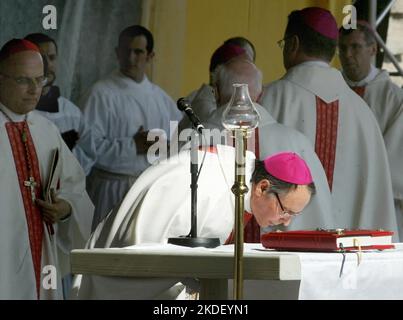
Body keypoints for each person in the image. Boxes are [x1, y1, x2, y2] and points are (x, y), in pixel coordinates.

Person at [73, 144, 316, 299]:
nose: (285, 222)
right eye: (286, 211)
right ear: (262, 188)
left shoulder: (235, 182)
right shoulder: (207, 188)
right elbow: (152, 254)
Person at [259, 7, 399, 239]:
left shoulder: (268, 99)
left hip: (284, 254)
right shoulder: (363, 113)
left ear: (293, 44)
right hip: (350, 257)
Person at [0, 39, 94, 299]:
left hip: (42, 253)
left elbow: (75, 187)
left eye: (39, 80)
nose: (34, 90)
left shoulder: (46, 130)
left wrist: (64, 209)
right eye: (23, 80)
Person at [202, 59, 333, 230]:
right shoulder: (296, 142)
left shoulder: (197, 137)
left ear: (216, 92)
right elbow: (311, 221)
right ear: (261, 94)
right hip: (276, 255)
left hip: (209, 255)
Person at [80, 25, 183, 230]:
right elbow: (85, 147)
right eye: (126, 51)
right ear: (117, 52)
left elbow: (178, 145)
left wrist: (165, 146)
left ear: (150, 56)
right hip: (111, 189)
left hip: (149, 191)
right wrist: (132, 146)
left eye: (138, 52)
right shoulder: (100, 93)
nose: (131, 58)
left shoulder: (161, 99)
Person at [338, 21, 403, 239]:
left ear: (373, 49)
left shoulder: (394, 98)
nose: (347, 55)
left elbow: (395, 155)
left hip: (379, 196)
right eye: (342, 47)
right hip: (336, 195)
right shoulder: (330, 88)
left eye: (355, 47)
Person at [24, 33, 96, 176]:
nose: (47, 65)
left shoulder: (71, 112)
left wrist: (67, 152)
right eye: (40, 58)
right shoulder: (11, 110)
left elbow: (89, 159)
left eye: (51, 58)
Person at [179, 41, 253, 134]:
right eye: (243, 69)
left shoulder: (204, 98)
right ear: (227, 72)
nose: (250, 75)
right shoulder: (208, 110)